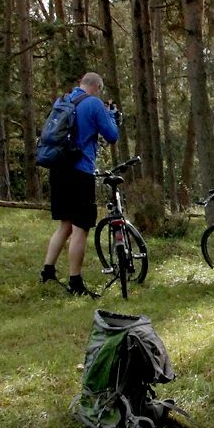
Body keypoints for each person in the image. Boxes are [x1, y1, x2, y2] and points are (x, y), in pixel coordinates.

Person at [40, 72, 121, 296]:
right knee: (81, 228)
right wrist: (112, 115)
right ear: (96, 86)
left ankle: (47, 271)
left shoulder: (62, 100)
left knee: (65, 225)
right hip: (79, 170)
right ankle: (75, 282)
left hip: (57, 168)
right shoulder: (94, 104)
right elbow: (112, 135)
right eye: (99, 89)